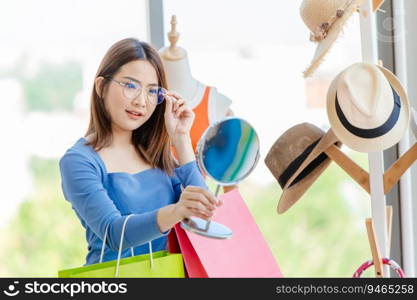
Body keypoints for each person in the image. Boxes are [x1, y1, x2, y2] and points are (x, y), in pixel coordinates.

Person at [59, 38, 221, 266]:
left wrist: (181, 139)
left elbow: (201, 215)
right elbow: (114, 233)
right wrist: (177, 210)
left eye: (152, 91)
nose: (141, 101)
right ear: (101, 87)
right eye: (130, 86)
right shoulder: (79, 161)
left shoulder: (157, 154)